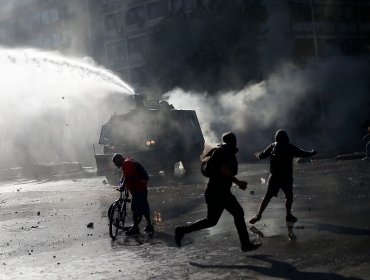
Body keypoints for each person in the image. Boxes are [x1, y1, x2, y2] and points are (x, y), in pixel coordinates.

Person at [175, 132, 262, 252]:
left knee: (212, 220)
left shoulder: (220, 150)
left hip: (216, 191)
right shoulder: (226, 151)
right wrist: (237, 182)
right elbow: (224, 170)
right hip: (219, 191)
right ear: (233, 141)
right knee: (236, 214)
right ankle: (245, 244)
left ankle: (182, 230)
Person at [249, 130, 316, 225]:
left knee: (267, 196)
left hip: (274, 177)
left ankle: (258, 215)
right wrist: (313, 152)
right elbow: (304, 154)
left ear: (276, 138)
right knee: (289, 196)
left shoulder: (272, 146)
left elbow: (262, 155)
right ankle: (288, 215)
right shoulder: (290, 147)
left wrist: (258, 155)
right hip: (286, 177)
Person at [112, 153, 154, 236]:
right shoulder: (128, 162)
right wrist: (121, 184)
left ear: (119, 160)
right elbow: (124, 176)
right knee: (144, 207)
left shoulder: (126, 164)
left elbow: (127, 177)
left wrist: (122, 186)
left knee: (135, 208)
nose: (116, 165)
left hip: (138, 189)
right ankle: (149, 226)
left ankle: (135, 228)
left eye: (116, 162)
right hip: (142, 187)